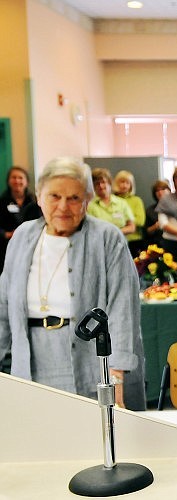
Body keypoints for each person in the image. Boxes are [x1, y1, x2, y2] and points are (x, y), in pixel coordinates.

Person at [0, 157, 146, 410]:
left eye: (74, 198)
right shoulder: (23, 236)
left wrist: (116, 376)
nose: (63, 207)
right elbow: (3, 304)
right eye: (54, 196)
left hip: (91, 362)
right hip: (31, 360)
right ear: (39, 196)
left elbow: (124, 308)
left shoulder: (107, 238)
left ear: (87, 200)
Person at [0, 166, 42, 272]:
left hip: (31, 249)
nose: (17, 181)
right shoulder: (2, 201)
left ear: (26, 182)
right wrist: (6, 234)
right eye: (14, 177)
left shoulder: (35, 202)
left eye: (20, 177)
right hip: (6, 248)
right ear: (8, 181)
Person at [87, 168, 137, 239]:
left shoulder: (122, 203)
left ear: (110, 183)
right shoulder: (89, 206)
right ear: (93, 186)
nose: (101, 186)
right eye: (97, 184)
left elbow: (132, 227)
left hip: (121, 244)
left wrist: (115, 232)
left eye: (103, 182)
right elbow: (89, 230)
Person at [113, 170, 146, 257]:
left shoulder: (136, 200)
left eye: (127, 183)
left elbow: (140, 221)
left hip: (134, 241)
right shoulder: (111, 200)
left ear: (131, 185)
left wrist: (121, 221)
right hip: (115, 240)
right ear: (116, 183)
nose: (124, 185)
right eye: (122, 182)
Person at [143, 179, 171, 248]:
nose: (160, 192)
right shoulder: (150, 210)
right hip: (157, 245)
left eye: (163, 189)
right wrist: (156, 226)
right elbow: (146, 232)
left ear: (169, 190)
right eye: (157, 190)